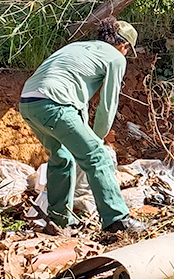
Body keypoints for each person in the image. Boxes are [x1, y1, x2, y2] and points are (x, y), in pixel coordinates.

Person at [18, 18, 147, 237]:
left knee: (62, 158)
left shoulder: (78, 48)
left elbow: (79, 102)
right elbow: (108, 104)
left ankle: (59, 221)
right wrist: (97, 140)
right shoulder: (116, 57)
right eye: (127, 50)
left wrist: (84, 135)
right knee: (97, 156)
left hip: (29, 103)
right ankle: (117, 220)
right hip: (55, 103)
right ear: (124, 45)